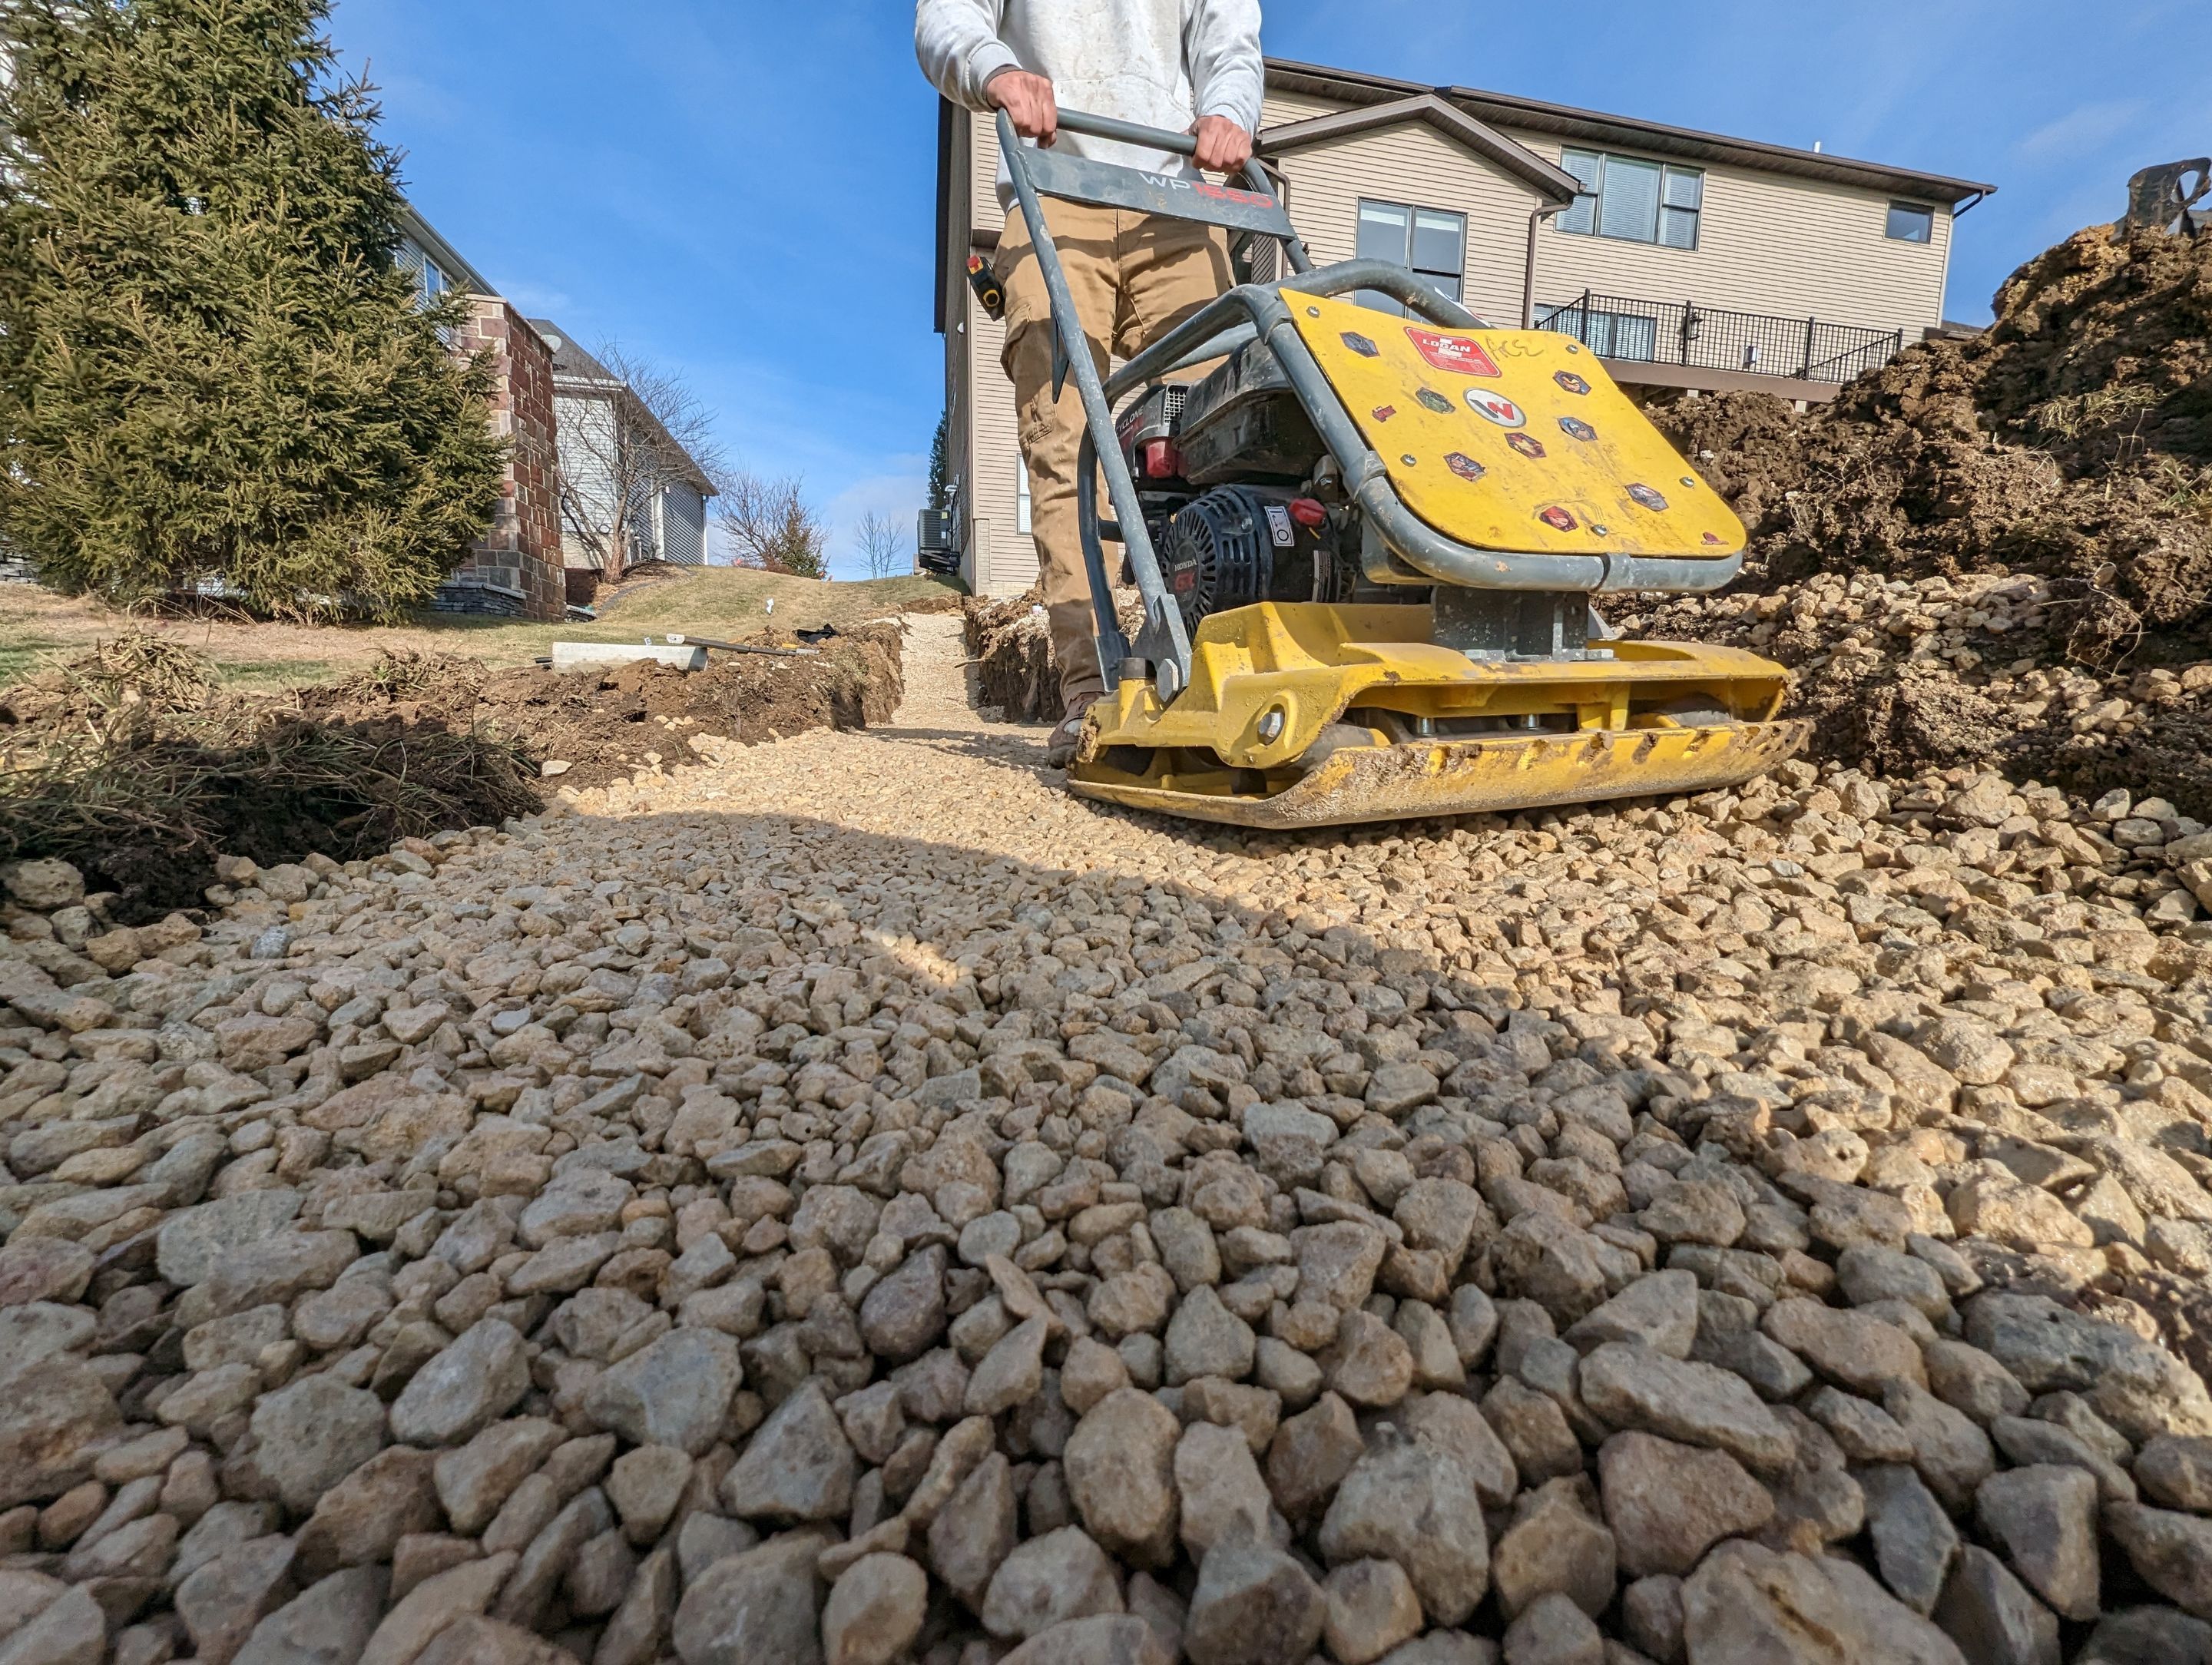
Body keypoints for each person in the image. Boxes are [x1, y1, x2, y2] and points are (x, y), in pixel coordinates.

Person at [916, 0, 1263, 765]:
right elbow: (947, 18)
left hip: (1177, 195)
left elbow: (1228, 37)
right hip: (1053, 187)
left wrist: (1230, 110)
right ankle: (1094, 690)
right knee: (1064, 438)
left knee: (1229, 427)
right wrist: (998, 71)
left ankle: (1229, 667)